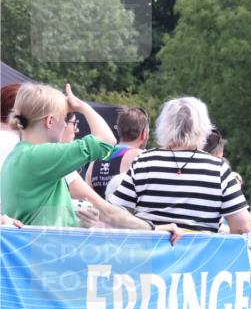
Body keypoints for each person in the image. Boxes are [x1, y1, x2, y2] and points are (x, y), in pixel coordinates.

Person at [1, 83, 181, 241]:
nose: (67, 125)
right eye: (66, 119)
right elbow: (106, 141)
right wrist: (82, 107)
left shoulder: (17, 156)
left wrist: (78, 218)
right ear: (50, 121)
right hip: (44, 265)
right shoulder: (41, 156)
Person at [108, 96, 251, 234]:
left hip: (151, 256)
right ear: (203, 129)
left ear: (164, 126)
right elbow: (242, 226)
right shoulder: (218, 169)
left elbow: (117, 215)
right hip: (200, 257)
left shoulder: (144, 161)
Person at [86, 107, 148, 199]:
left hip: (98, 212)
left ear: (119, 131)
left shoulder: (95, 160)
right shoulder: (139, 156)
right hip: (123, 213)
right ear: (144, 134)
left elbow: (87, 197)